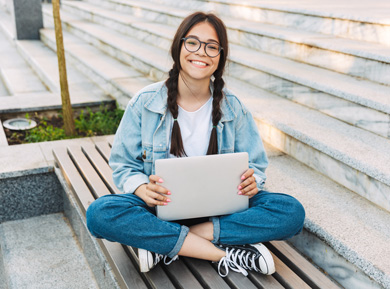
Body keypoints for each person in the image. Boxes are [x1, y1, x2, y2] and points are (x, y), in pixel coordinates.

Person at [86, 11, 305, 277]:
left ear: (220, 58)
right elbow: (123, 165)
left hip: (220, 211)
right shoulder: (145, 102)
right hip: (159, 208)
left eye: (212, 47)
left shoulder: (233, 108)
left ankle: (163, 243)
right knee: (100, 214)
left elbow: (256, 166)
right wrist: (141, 187)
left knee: (291, 213)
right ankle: (225, 253)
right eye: (193, 43)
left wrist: (252, 181)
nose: (201, 52)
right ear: (178, 46)